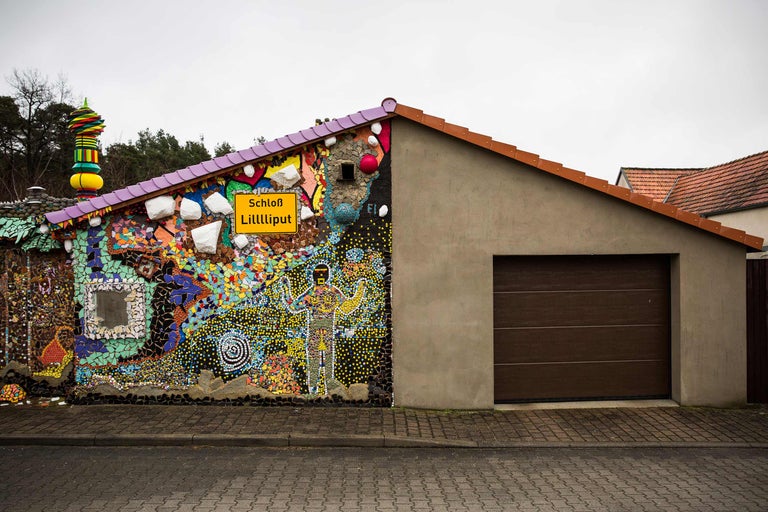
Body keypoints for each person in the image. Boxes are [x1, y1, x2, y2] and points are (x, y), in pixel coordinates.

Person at [281, 263, 365, 394]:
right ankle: (320, 389)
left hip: (320, 330)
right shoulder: (329, 291)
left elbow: (293, 306)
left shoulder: (317, 292)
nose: (320, 277)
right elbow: (348, 307)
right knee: (320, 359)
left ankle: (319, 390)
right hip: (321, 330)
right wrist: (360, 289)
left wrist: (286, 289)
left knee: (322, 359)